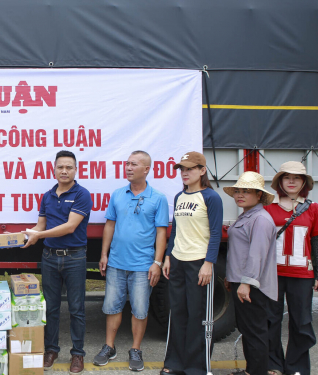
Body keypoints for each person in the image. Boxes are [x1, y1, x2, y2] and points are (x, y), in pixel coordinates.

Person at [94, 150, 168, 371]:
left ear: (146, 169)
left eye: (134, 164)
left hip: (142, 266)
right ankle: (109, 346)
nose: (128, 167)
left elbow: (161, 233)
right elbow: (109, 225)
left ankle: (135, 349)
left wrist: (157, 262)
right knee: (112, 307)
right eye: (127, 164)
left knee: (140, 310)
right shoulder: (117, 194)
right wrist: (104, 254)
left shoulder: (159, 198)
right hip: (116, 263)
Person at [23, 150, 92, 375]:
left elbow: (70, 226)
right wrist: (26, 235)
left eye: (69, 167)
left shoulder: (82, 194)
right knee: (50, 307)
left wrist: (38, 236)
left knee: (76, 308)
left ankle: (78, 354)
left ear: (75, 170)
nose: (64, 171)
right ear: (54, 169)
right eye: (60, 167)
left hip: (74, 257)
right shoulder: (47, 195)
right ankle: (51, 350)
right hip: (50, 257)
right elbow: (40, 225)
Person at [265, 161, 318, 375]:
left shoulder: (314, 208)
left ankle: (296, 367)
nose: (291, 181)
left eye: (297, 177)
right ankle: (274, 364)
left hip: (302, 274)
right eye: (286, 177)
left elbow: (317, 241)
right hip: (272, 275)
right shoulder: (267, 208)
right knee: (271, 321)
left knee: (302, 323)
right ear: (280, 182)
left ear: (303, 182)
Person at [161, 151, 223, 375]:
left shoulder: (211, 197)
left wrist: (209, 263)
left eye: (190, 169)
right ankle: (174, 363)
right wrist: (168, 256)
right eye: (182, 169)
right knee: (177, 313)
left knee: (198, 316)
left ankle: (197, 367)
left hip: (199, 263)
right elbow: (175, 229)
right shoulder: (179, 196)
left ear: (202, 170)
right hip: (178, 260)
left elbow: (216, 233)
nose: (185, 173)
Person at [222, 171, 277, 375]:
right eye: (237, 191)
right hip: (241, 281)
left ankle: (257, 372)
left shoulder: (261, 219)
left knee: (255, 331)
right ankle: (251, 370)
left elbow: (256, 255)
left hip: (252, 285)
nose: (240, 195)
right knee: (248, 330)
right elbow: (240, 252)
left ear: (259, 195)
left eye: (246, 191)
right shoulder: (248, 215)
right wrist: (231, 277)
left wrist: (246, 283)